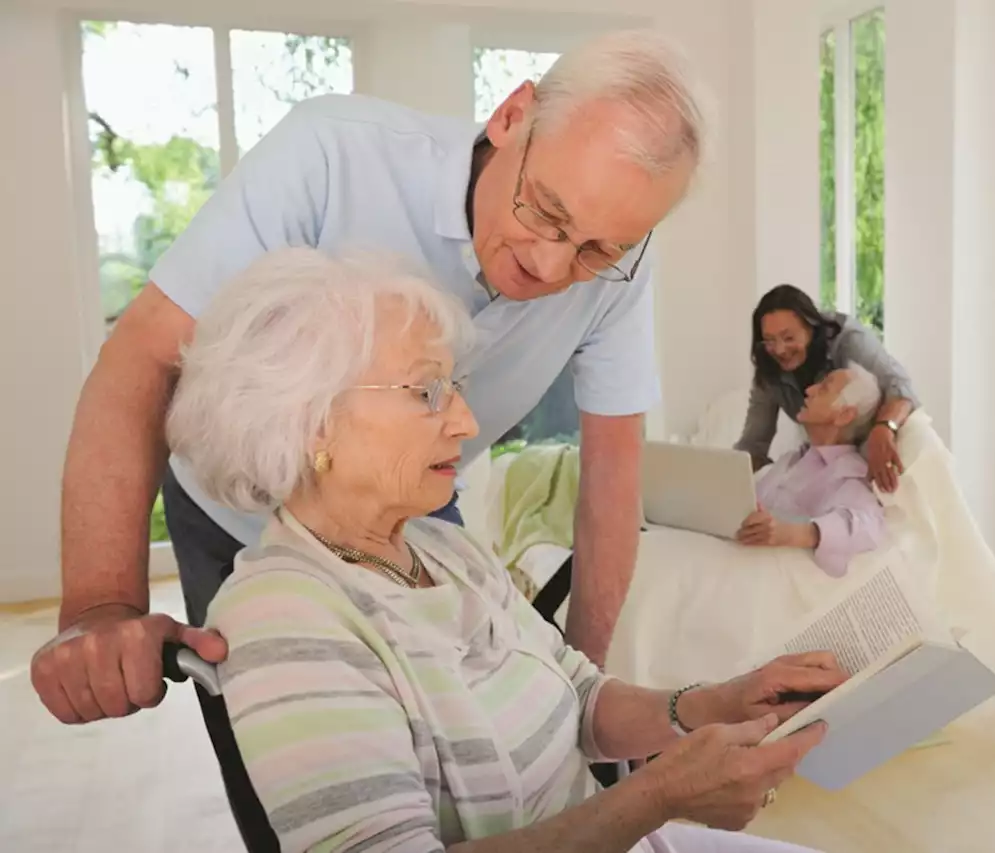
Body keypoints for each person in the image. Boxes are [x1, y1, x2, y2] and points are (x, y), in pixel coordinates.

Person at [32, 30, 705, 740]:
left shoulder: (619, 268)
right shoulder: (332, 154)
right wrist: (100, 607)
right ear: (511, 116)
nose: (549, 264)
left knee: (465, 748)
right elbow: (142, 355)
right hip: (233, 507)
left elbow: (611, 477)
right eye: (544, 209)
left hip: (408, 510)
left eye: (598, 250)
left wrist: (583, 703)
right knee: (295, 760)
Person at [174, 249, 842, 853]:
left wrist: (721, 701)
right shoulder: (281, 617)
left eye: (455, 387)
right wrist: (657, 795)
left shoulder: (444, 547)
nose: (466, 423)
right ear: (312, 419)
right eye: (428, 391)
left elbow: (580, 698)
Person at [735, 284, 919, 493]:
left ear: (811, 328)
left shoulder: (849, 340)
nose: (779, 350)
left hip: (880, 453)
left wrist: (884, 429)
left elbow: (901, 388)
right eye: (769, 341)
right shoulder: (768, 363)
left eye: (788, 338)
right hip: (827, 461)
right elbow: (753, 443)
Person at [735, 366, 888, 577]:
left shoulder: (849, 473)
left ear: (844, 415)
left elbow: (870, 525)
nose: (809, 390)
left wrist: (798, 533)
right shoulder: (789, 461)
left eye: (824, 389)